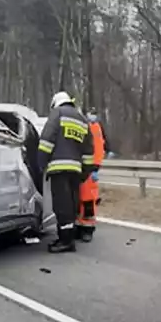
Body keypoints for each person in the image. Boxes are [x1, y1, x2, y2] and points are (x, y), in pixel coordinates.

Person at [38, 92, 95, 253]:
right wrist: (85, 172)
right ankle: (68, 237)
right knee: (71, 204)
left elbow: (47, 139)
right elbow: (89, 149)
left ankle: (66, 241)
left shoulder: (58, 114)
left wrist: (41, 163)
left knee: (61, 205)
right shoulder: (82, 119)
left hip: (59, 169)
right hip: (76, 171)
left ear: (55, 103)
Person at [75, 111, 105, 242]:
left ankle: (87, 229)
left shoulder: (93, 126)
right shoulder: (81, 124)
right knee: (76, 199)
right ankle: (78, 226)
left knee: (87, 200)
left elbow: (98, 148)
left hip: (88, 167)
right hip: (78, 166)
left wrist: (95, 167)